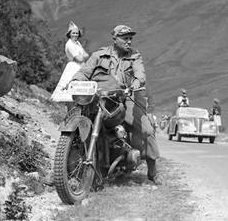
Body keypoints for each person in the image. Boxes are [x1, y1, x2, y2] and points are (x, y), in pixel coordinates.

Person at [71, 24, 162, 184]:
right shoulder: (100, 55)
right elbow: (85, 71)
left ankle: (152, 171)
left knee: (147, 130)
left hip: (126, 97)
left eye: (130, 39)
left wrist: (135, 84)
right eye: (125, 38)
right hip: (101, 96)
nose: (129, 42)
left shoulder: (135, 56)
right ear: (115, 39)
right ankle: (64, 168)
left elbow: (140, 73)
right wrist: (76, 80)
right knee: (77, 120)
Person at [51, 21, 89, 103]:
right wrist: (83, 56)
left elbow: (86, 55)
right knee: (71, 87)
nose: (75, 35)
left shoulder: (78, 43)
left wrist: (82, 56)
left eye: (76, 33)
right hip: (73, 66)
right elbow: (80, 58)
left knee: (81, 88)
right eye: (73, 33)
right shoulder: (69, 44)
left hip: (81, 66)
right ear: (69, 34)